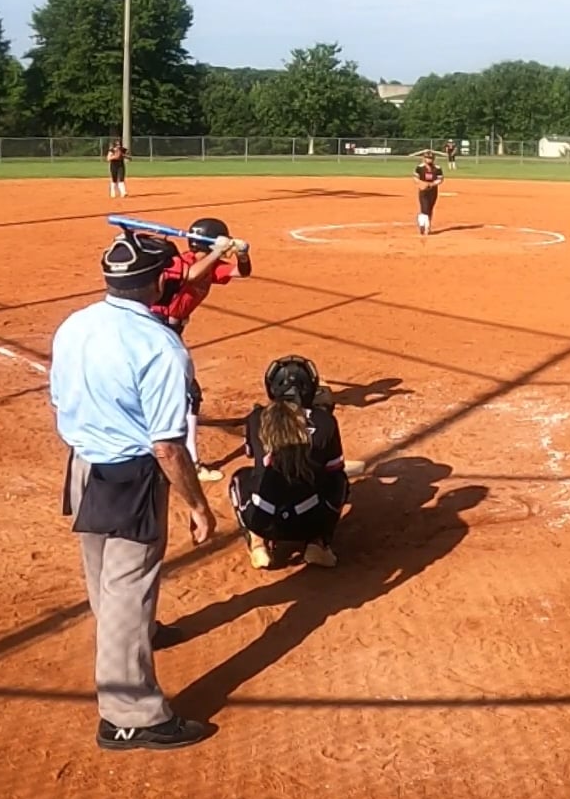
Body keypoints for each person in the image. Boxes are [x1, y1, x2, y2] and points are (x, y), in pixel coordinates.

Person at [49, 228, 217, 752]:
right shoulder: (160, 345)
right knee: (128, 588)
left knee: (102, 575)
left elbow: (58, 399)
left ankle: (135, 636)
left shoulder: (75, 324)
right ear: (159, 283)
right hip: (130, 476)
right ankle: (129, 716)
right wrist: (198, 505)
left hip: (83, 465)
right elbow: (166, 445)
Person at [151, 218, 253, 484]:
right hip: (155, 330)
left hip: (171, 332)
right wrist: (218, 251)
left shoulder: (213, 265)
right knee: (189, 394)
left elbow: (242, 272)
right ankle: (191, 464)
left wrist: (242, 255)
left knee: (169, 392)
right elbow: (192, 275)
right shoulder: (181, 262)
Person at [229, 355, 350, 570]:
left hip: (263, 520)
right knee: (339, 480)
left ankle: (257, 543)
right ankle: (317, 544)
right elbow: (334, 468)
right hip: (310, 521)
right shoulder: (325, 421)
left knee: (241, 477)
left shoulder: (256, 418)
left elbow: (252, 455)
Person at [414, 151, 444, 236]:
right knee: (424, 208)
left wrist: (432, 184)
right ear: (424, 158)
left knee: (430, 208)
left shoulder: (437, 168)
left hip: (433, 190)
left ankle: (428, 225)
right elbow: (415, 178)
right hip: (423, 190)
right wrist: (421, 183)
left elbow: (440, 179)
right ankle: (423, 225)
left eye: (431, 158)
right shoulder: (420, 167)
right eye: (427, 158)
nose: (429, 160)